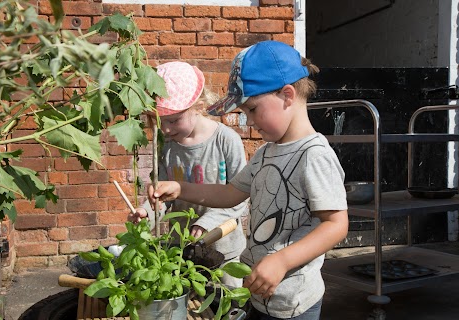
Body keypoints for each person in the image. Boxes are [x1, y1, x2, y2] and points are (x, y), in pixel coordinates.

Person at [146, 41, 349, 320]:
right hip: (259, 291)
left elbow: (336, 225)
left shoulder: (313, 155)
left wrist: (282, 260)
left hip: (293, 302)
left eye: (252, 109)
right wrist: (181, 188)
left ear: (287, 96)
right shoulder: (266, 153)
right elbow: (231, 193)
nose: (249, 121)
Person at [129, 61, 248, 288]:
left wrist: (207, 223)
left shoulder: (226, 140)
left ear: (199, 106)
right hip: (182, 251)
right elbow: (162, 199)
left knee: (228, 305)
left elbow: (240, 197)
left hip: (225, 251)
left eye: (173, 120)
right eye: (159, 121)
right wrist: (146, 212)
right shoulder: (166, 146)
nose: (165, 129)